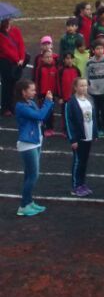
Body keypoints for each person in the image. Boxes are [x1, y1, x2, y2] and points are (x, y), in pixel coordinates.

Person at [15, 79, 54, 216]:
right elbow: (40, 115)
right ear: (23, 92)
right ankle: (23, 206)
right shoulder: (21, 106)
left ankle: (28, 202)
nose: (35, 92)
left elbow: (41, 118)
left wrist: (49, 104)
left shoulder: (30, 103)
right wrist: (48, 102)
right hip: (28, 144)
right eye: (31, 90)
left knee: (28, 175)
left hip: (35, 141)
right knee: (33, 175)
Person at [65, 78, 95, 196]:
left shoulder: (90, 99)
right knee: (78, 161)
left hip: (88, 136)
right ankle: (75, 186)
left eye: (85, 85)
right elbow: (69, 122)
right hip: (79, 137)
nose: (84, 88)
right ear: (75, 87)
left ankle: (82, 183)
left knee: (84, 162)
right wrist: (73, 139)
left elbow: (93, 117)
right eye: (81, 86)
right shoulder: (71, 103)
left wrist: (95, 133)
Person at [1, 16, 27, 117]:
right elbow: (6, 49)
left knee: (14, 84)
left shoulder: (16, 30)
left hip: (16, 61)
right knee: (7, 85)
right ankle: (6, 107)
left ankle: (12, 106)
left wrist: (22, 58)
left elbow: (21, 44)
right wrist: (18, 60)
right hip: (6, 62)